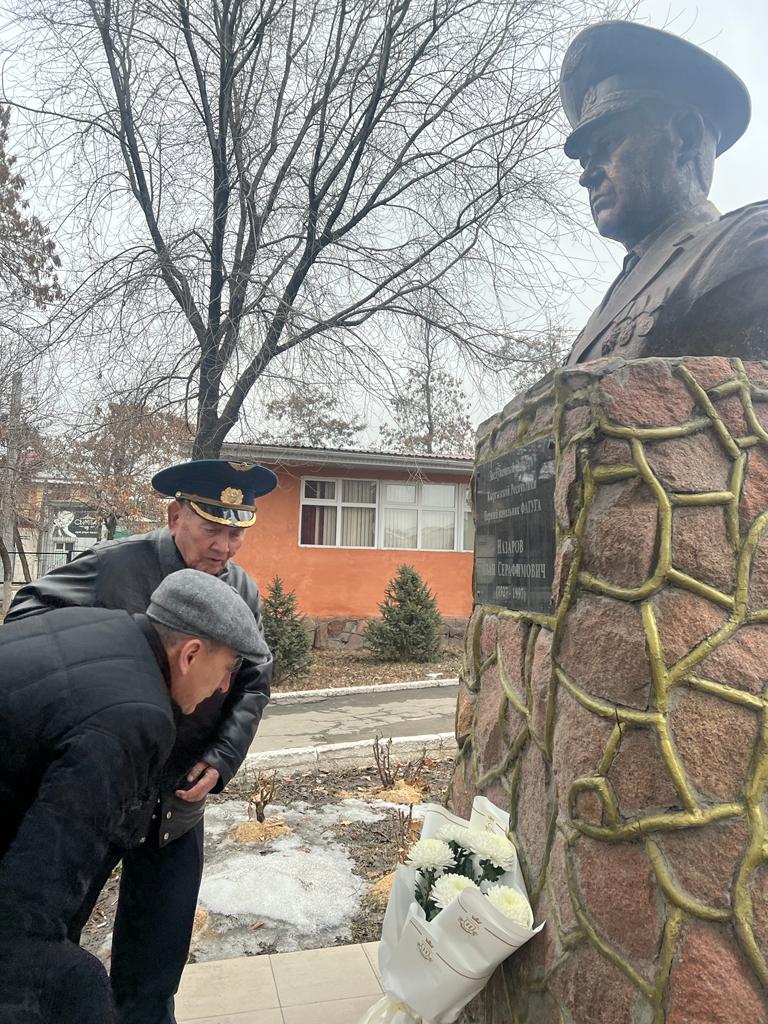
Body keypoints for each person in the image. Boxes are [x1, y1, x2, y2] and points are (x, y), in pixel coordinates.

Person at [5, 459, 277, 1024]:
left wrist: (222, 756)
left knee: (156, 955)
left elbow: (254, 680)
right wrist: (121, 661)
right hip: (97, 784)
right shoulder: (114, 566)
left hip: (177, 794)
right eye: (213, 529)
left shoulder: (240, 589)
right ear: (175, 517)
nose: (225, 547)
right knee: (51, 927)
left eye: (236, 534)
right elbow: (30, 617)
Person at [560, 21, 768, 365]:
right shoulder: (599, 315)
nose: (587, 176)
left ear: (684, 137)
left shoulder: (747, 245)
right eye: (585, 160)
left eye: (607, 145)